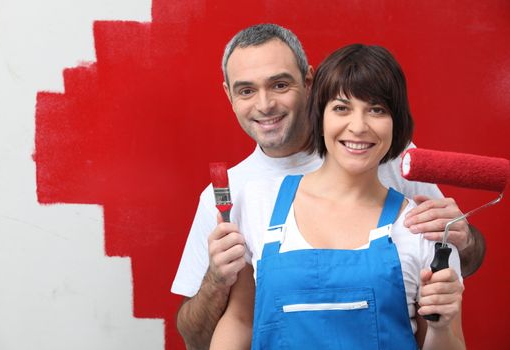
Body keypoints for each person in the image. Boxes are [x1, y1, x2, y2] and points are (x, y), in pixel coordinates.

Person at [172, 24, 482, 349]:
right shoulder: (249, 198)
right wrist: (216, 280)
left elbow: (446, 304)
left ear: (308, 84)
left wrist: (463, 241)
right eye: (247, 90)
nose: (358, 127)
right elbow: (223, 328)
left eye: (279, 84)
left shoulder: (408, 191)